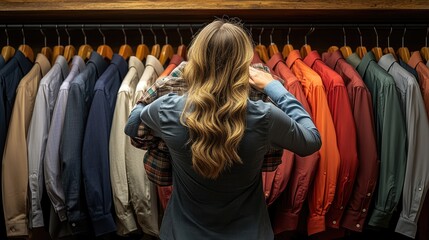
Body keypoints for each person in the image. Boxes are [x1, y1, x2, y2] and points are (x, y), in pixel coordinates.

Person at [125, 19, 321, 240]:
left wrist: (169, 81)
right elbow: (311, 140)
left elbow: (132, 126)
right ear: (244, 63)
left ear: (196, 60)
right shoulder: (264, 116)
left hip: (182, 232)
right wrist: (273, 87)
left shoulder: (166, 109)